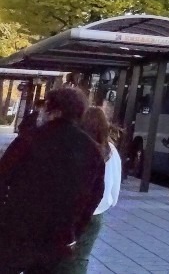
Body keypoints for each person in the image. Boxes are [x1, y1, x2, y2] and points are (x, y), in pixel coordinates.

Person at [0, 87, 104, 274]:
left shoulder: (29, 139)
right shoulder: (92, 149)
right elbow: (94, 197)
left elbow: (2, 175)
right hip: (58, 236)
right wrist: (74, 230)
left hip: (17, 228)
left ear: (52, 109)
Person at [54, 106, 122, 274]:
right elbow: (114, 187)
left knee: (58, 256)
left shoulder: (75, 145)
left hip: (69, 211)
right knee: (80, 258)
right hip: (96, 214)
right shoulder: (111, 150)